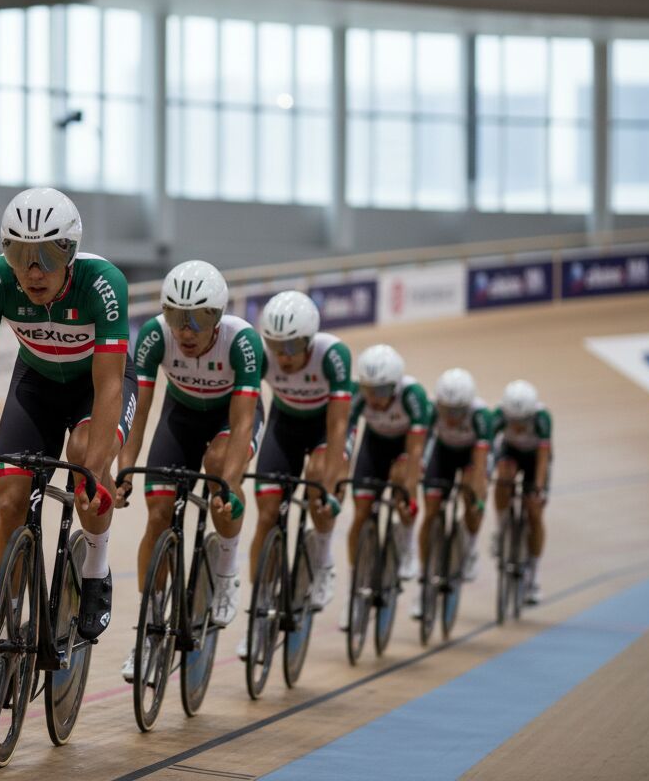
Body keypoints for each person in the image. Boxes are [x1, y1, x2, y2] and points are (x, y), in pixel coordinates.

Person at [0, 188, 135, 683]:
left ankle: (96, 569)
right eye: (20, 254)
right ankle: (8, 631)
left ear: (70, 252)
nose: (33, 270)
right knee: (9, 501)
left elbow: (110, 386)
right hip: (36, 384)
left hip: (97, 386)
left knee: (84, 457)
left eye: (47, 254)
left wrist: (94, 473)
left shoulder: (103, 283)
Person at [117, 260, 262, 682]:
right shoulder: (154, 336)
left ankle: (227, 570)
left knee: (219, 469)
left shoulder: (242, 341)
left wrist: (229, 485)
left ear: (218, 317)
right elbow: (139, 410)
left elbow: (244, 422)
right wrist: (124, 468)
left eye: (198, 319)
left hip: (229, 421)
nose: (186, 330)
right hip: (179, 418)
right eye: (176, 317)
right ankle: (148, 629)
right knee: (158, 515)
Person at [235, 291, 351, 660]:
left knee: (318, 480)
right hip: (283, 426)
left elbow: (339, 427)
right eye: (275, 345)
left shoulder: (333, 355)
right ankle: (259, 611)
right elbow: (245, 410)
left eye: (292, 347)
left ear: (310, 340)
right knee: (266, 515)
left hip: (324, 429)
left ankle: (323, 556)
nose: (283, 356)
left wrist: (328, 489)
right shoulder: (262, 355)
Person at [341, 344, 430, 629]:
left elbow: (416, 452)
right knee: (360, 515)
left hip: (406, 447)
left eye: (381, 391)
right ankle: (356, 588)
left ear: (396, 385)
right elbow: (345, 438)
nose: (374, 398)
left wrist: (410, 495)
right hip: (374, 447)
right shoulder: (358, 394)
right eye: (369, 390)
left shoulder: (413, 396)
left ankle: (406, 544)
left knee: (403, 481)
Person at [410, 368, 492, 619]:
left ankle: (470, 547)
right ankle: (424, 578)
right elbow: (420, 448)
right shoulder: (432, 409)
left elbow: (481, 465)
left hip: (470, 458)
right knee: (430, 513)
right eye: (447, 410)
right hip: (442, 455)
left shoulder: (481, 415)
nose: (452, 417)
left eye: (458, 411)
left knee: (472, 497)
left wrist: (477, 499)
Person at [491, 379, 552, 605]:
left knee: (535, 513)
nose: (517, 426)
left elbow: (544, 458)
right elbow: (486, 446)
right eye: (513, 421)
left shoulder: (542, 418)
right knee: (503, 477)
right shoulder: (498, 414)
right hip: (510, 453)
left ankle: (533, 575)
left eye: (523, 421)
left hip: (535, 459)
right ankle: (501, 528)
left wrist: (538, 488)